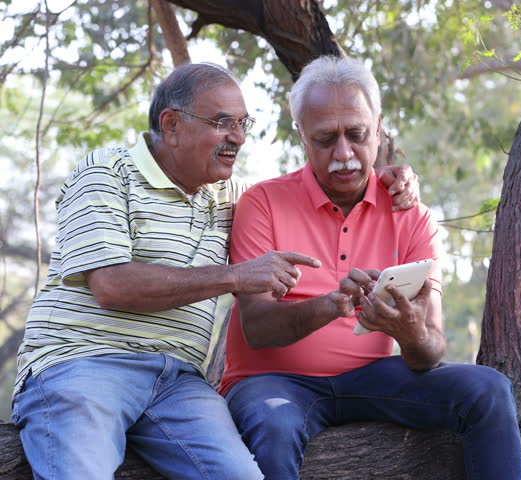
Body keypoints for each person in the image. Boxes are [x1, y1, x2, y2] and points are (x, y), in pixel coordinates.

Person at [12, 62, 419, 480]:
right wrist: (237, 276)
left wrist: (378, 179)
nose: (238, 138)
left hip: (178, 384)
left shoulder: (233, 196)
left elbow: (304, 191)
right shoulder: (106, 172)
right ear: (171, 124)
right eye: (223, 124)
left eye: (243, 124)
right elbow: (112, 285)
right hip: (82, 364)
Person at [221, 55, 521, 479]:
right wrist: (333, 304)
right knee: (273, 424)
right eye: (325, 139)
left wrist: (410, 332)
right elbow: (257, 329)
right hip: (273, 382)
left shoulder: (412, 215)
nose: (343, 154)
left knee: (488, 390)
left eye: (357, 135)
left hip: (372, 379)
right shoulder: (263, 203)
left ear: (378, 128)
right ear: (302, 137)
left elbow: (430, 351)